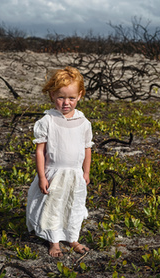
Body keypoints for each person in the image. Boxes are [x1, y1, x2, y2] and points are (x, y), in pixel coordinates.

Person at [26, 66, 93, 257]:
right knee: (52, 206)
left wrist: (86, 172)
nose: (66, 102)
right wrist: (41, 176)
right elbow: (40, 151)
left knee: (74, 205)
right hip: (54, 173)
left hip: (75, 174)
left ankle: (72, 237)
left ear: (79, 96)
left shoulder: (84, 122)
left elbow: (87, 149)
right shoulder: (47, 121)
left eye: (71, 98)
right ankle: (54, 241)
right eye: (61, 97)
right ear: (52, 95)